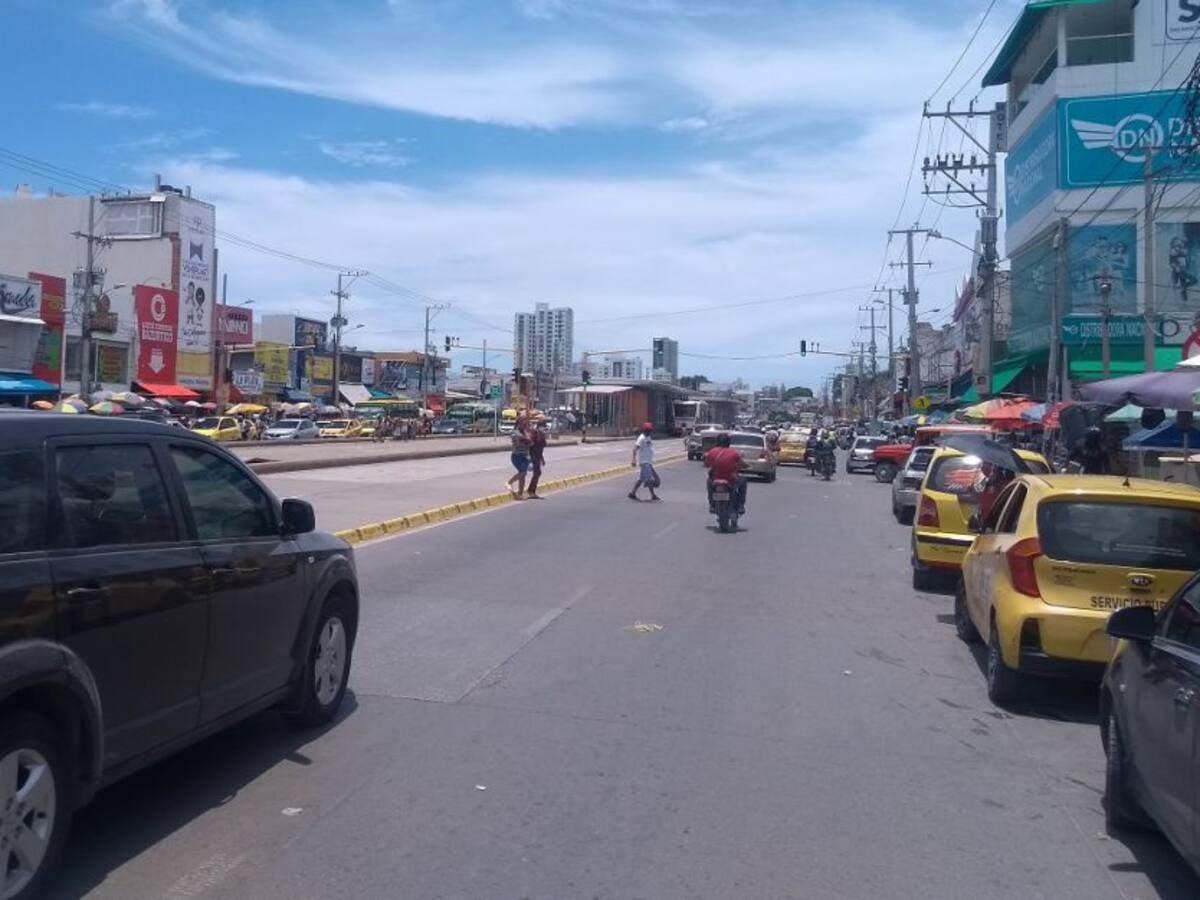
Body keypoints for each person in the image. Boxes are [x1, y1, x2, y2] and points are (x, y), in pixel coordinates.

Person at [704, 432, 747, 515]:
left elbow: (706, 464)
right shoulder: (734, 453)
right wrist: (747, 466)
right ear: (728, 443)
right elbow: (742, 464)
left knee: (709, 482)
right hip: (731, 480)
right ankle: (741, 505)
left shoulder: (712, 452)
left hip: (715, 480)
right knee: (743, 481)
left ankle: (712, 505)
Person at [629, 422, 660, 501]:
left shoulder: (648, 437)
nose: (649, 432)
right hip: (644, 462)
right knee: (651, 480)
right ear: (644, 430)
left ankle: (632, 493)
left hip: (648, 462)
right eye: (648, 430)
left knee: (640, 479)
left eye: (650, 430)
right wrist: (633, 460)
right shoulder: (641, 438)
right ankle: (653, 495)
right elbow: (635, 448)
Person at [507, 415, 532, 499]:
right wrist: (526, 441)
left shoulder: (525, 432)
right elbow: (519, 442)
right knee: (523, 472)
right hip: (517, 456)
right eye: (523, 422)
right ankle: (509, 482)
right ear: (519, 423)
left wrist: (526, 441)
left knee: (523, 475)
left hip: (525, 456)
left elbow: (530, 443)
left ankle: (520, 494)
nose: (525, 424)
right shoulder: (515, 432)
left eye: (526, 423)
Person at [527, 420, 548, 499]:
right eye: (542, 427)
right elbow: (530, 445)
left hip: (538, 456)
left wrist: (542, 459)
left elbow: (541, 448)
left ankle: (531, 490)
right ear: (539, 427)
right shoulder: (534, 434)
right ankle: (531, 491)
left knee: (537, 473)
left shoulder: (542, 435)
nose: (543, 429)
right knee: (537, 473)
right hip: (533, 456)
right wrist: (529, 457)